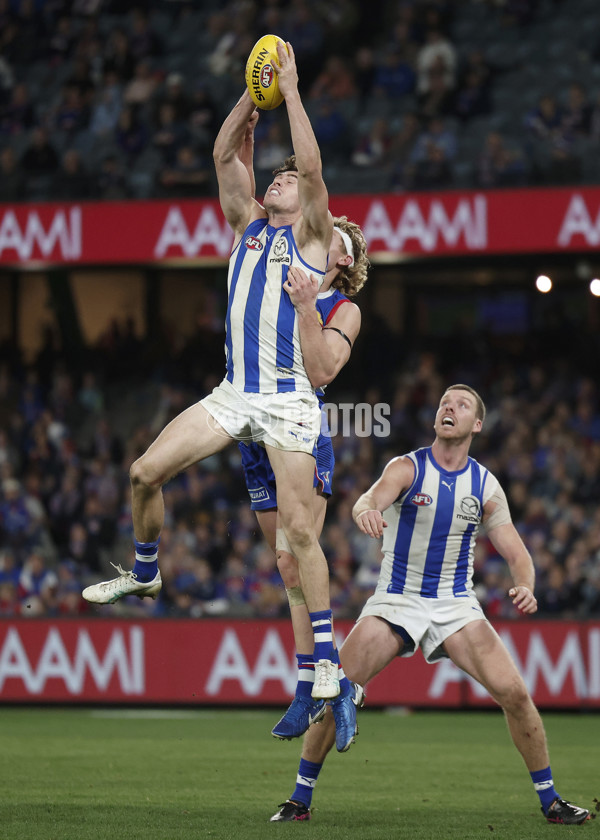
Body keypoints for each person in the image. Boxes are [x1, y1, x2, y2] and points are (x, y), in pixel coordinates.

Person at [82, 42, 344, 704]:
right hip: (234, 395)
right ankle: (145, 572)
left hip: (287, 402)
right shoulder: (247, 226)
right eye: (275, 177)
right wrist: (249, 102)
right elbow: (224, 153)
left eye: (285, 180)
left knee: (300, 535)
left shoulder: (313, 236)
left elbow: (311, 169)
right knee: (144, 472)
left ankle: (326, 663)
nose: (280, 179)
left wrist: (289, 89)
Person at [270, 384, 590, 826]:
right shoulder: (407, 468)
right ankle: (298, 799)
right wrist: (365, 510)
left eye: (460, 405)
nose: (448, 408)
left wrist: (526, 584)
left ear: (477, 424)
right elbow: (370, 498)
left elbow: (517, 552)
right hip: (396, 600)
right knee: (333, 689)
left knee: (515, 694)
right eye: (443, 402)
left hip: (455, 605)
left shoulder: (484, 484)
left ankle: (551, 800)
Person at [239, 214, 369, 750]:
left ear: (345, 260)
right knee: (284, 561)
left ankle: (323, 682)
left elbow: (321, 372)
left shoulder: (343, 308)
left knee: (299, 548)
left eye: (332, 239)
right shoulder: (276, 275)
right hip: (253, 431)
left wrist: (303, 306)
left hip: (297, 431)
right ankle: (309, 681)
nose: (318, 238)